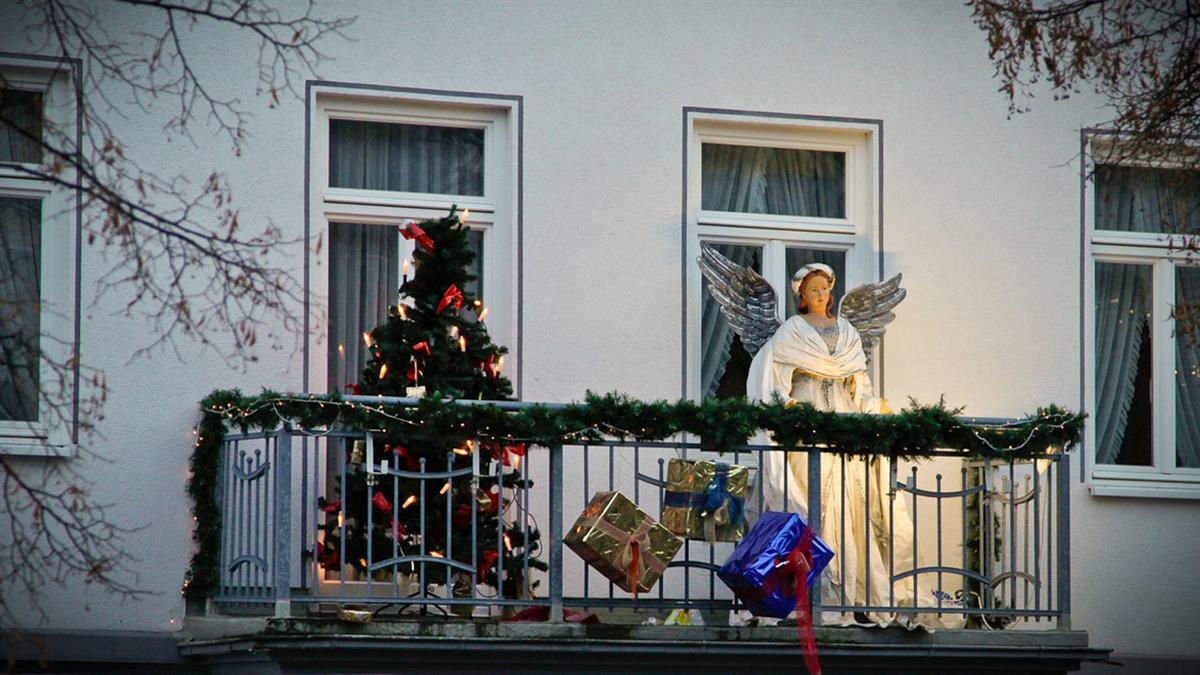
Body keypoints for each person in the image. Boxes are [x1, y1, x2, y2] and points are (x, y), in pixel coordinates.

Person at [746, 263, 959, 628]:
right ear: (801, 295)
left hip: (846, 433)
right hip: (808, 431)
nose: (819, 295)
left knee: (852, 509)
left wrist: (875, 408)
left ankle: (856, 593)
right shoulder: (790, 332)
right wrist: (786, 405)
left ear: (831, 292)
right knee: (814, 505)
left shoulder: (847, 331)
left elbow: (859, 387)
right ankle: (816, 593)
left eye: (824, 289)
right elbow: (773, 380)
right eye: (812, 290)